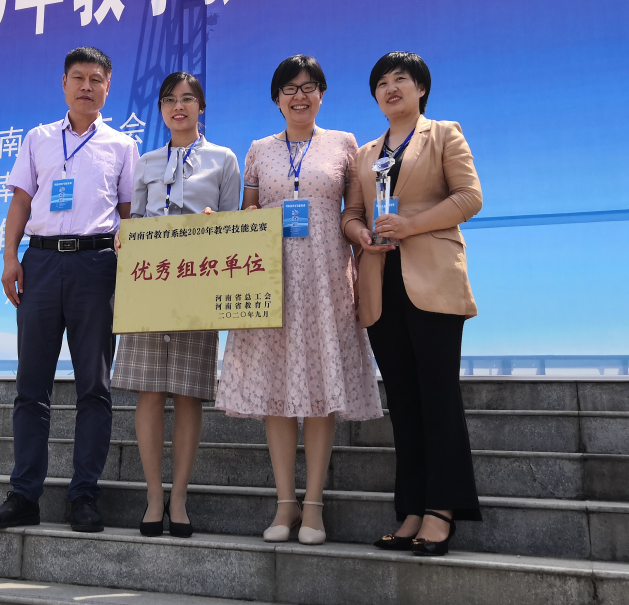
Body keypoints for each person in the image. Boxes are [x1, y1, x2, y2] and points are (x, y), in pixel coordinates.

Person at [216, 55, 382, 546]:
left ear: (322, 94)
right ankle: (284, 503)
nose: (299, 96)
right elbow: (248, 214)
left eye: (309, 87)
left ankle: (313, 506)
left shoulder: (344, 144)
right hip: (271, 278)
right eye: (289, 88)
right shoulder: (258, 150)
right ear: (276, 99)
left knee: (319, 387)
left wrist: (365, 245)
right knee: (276, 389)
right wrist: (218, 223)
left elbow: (354, 211)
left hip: (326, 277)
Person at [0, 46, 139, 534]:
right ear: (64, 84)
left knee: (95, 386)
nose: (86, 86)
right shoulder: (38, 139)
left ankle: (84, 496)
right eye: (78, 78)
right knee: (31, 387)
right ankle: (24, 495)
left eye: (96, 79)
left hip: (97, 265)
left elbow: (129, 216)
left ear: (108, 87)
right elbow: (20, 203)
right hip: (42, 263)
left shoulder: (122, 146)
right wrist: (10, 258)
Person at [342, 51, 483, 557]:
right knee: (402, 400)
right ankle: (412, 510)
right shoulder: (365, 153)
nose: (391, 88)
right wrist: (361, 234)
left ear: (421, 87)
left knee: (437, 395)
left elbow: (469, 197)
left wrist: (410, 225)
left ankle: (443, 508)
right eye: (381, 82)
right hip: (381, 284)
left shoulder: (443, 134)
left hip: (433, 280)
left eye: (400, 79)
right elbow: (351, 213)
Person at [112, 72, 241, 538]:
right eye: (169, 100)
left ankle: (180, 498)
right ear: (162, 110)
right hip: (149, 285)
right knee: (149, 392)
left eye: (187, 99)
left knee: (188, 394)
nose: (178, 107)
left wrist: (215, 222)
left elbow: (233, 224)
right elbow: (133, 221)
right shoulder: (146, 161)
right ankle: (153, 497)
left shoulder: (224, 159)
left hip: (197, 286)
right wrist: (124, 238)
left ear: (201, 107)